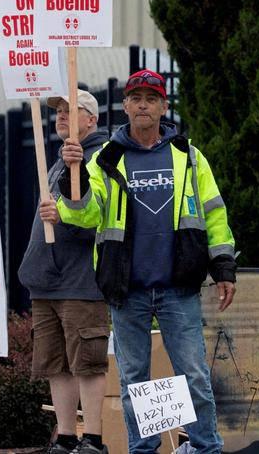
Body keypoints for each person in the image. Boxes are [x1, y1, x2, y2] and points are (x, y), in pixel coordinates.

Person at [41, 69, 236, 454]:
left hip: (177, 287)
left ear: (164, 106)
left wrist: (224, 268)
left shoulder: (189, 157)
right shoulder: (106, 159)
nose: (143, 104)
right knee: (134, 382)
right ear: (126, 106)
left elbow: (214, 215)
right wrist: (72, 175)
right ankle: (143, 450)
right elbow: (84, 215)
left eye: (152, 98)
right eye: (136, 98)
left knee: (194, 375)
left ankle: (206, 448)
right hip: (126, 289)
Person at [20, 90, 111, 454]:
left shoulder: (100, 158)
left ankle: (93, 439)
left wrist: (65, 216)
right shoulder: (60, 160)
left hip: (80, 280)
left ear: (92, 119)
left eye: (72, 111)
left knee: (86, 362)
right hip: (48, 280)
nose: (61, 116)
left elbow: (96, 219)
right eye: (58, 111)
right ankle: (66, 436)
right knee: (55, 363)